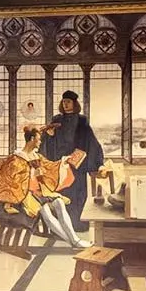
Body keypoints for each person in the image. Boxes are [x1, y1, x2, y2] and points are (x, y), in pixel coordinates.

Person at [39, 91, 106, 230]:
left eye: (68, 102)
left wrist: (98, 162)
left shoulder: (82, 121)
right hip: (61, 164)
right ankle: (61, 226)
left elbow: (90, 141)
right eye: (64, 102)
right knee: (62, 195)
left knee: (78, 194)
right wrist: (50, 136)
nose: (65, 104)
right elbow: (48, 142)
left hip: (77, 165)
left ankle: (77, 225)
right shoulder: (57, 119)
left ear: (75, 104)